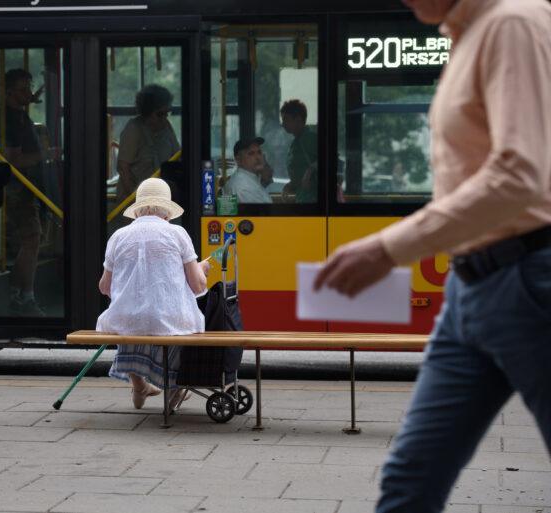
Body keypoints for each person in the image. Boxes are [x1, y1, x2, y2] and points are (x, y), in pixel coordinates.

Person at [314, 1, 551, 512]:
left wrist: (389, 246)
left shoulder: (512, 24)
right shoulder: (464, 34)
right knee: (410, 475)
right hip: (472, 289)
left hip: (530, 279)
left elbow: (519, 172)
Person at [97, 178, 209, 410]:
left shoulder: (118, 236)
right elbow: (198, 286)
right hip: (171, 320)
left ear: (137, 210)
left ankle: (139, 384)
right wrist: (202, 270)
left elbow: (104, 287)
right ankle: (174, 386)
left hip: (126, 321)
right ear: (167, 212)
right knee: (175, 323)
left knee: (130, 321)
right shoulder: (177, 233)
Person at [2, 68, 47, 314]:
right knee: (32, 238)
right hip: (19, 187)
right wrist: (44, 155)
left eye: (29, 87)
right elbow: (13, 160)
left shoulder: (20, 115)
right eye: (23, 89)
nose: (28, 93)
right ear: (9, 92)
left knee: (30, 239)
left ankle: (18, 292)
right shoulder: (11, 119)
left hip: (28, 187)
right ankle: (24, 296)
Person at [116, 84, 180, 201]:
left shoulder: (167, 127)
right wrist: (138, 199)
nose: (164, 118)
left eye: (167, 113)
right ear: (146, 112)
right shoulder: (134, 129)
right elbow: (123, 168)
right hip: (134, 202)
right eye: (160, 114)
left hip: (161, 199)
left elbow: (177, 157)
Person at [281, 99, 318, 203]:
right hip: (302, 198)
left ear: (298, 119)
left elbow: (332, 159)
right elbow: (299, 172)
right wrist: (291, 184)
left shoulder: (310, 138)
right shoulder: (296, 142)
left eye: (286, 120)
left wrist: (310, 171)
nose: (283, 124)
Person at [222, 137, 273, 204]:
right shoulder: (243, 187)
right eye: (251, 153)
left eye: (259, 152)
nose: (258, 157)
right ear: (238, 160)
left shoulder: (250, 179)